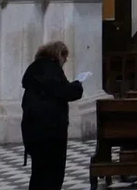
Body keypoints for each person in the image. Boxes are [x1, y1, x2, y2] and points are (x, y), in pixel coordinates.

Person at [21, 41, 87, 190]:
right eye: (65, 56)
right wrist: (77, 85)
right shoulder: (52, 69)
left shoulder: (34, 69)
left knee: (38, 172)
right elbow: (64, 91)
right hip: (51, 131)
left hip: (32, 130)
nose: (66, 61)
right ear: (59, 54)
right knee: (54, 174)